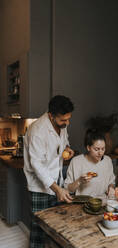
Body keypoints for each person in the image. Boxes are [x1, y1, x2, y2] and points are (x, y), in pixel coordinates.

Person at [23, 95, 74, 248]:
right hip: (40, 187)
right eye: (63, 120)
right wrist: (57, 189)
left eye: (68, 119)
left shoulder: (62, 124)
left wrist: (67, 148)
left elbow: (63, 142)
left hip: (56, 181)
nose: (67, 123)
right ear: (51, 116)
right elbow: (36, 165)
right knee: (39, 229)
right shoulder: (37, 130)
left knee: (55, 227)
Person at [64, 128, 115, 197]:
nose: (100, 153)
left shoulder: (107, 160)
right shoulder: (76, 161)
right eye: (96, 149)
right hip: (82, 203)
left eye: (103, 149)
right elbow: (68, 189)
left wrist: (111, 188)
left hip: (103, 201)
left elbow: (111, 182)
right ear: (88, 148)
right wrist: (79, 181)